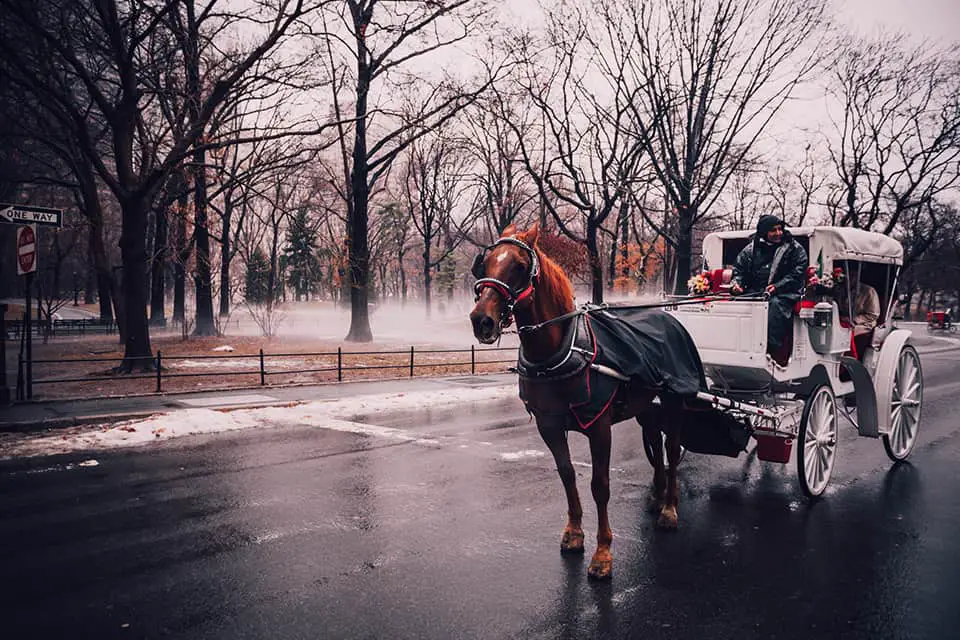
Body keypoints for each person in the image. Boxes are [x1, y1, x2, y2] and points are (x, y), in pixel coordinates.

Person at [731, 215, 808, 361]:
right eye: (774, 230)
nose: (778, 233)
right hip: (758, 291)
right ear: (764, 232)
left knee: (775, 305)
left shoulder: (794, 249)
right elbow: (739, 270)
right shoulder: (750, 250)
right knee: (738, 303)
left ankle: (771, 349)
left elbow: (797, 273)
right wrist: (737, 284)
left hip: (786, 293)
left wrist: (777, 287)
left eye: (780, 229)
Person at [839, 264, 880, 359]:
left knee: (846, 333)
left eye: (853, 275)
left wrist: (854, 320)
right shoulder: (841, 290)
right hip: (843, 321)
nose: (849, 278)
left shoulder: (869, 291)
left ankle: (851, 359)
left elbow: (873, 315)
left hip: (864, 324)